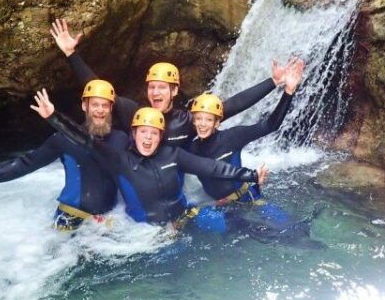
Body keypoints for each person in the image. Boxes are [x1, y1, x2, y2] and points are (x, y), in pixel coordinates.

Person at [30, 90, 269, 227]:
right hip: (143, 237)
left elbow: (211, 167)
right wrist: (54, 117)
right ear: (133, 134)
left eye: (153, 133)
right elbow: (86, 140)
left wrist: (250, 175)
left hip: (181, 222)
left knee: (230, 229)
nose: (148, 138)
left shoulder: (173, 154)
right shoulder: (121, 160)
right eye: (143, 132)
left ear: (160, 136)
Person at [49, 18, 299, 148]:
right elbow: (98, 90)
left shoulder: (187, 119)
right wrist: (72, 54)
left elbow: (231, 106)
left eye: (162, 87)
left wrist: (273, 82)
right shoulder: (134, 113)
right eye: (152, 87)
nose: (155, 92)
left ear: (174, 90)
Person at [0, 80, 129, 232]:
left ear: (111, 108)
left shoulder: (121, 139)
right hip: (71, 217)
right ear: (84, 106)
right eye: (95, 105)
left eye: (105, 105)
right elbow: (26, 163)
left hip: (108, 218)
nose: (100, 110)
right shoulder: (63, 139)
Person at [188, 59, 305, 233]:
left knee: (292, 232)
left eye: (208, 119)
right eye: (199, 119)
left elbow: (270, 125)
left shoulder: (233, 137)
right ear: (193, 121)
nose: (203, 124)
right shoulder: (191, 149)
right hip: (222, 206)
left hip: (249, 197)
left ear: (217, 122)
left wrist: (288, 91)